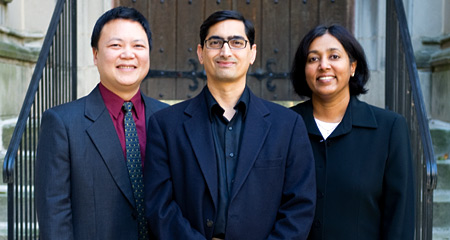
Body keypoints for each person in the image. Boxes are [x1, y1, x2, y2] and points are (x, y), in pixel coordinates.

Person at [144, 10, 316, 240]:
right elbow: (159, 206)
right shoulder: (165, 125)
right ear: (201, 53)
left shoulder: (287, 125)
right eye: (215, 42)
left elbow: (300, 206)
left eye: (236, 42)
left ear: (252, 53)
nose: (226, 51)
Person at [35, 6, 168, 240]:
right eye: (116, 45)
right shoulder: (62, 124)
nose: (128, 54)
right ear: (95, 54)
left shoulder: (167, 118)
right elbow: (54, 216)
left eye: (138, 46)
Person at [290, 24, 415, 239]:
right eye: (313, 59)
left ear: (352, 67)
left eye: (334, 56)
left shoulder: (389, 128)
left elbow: (400, 218)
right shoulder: (286, 125)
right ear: (304, 70)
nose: (323, 65)